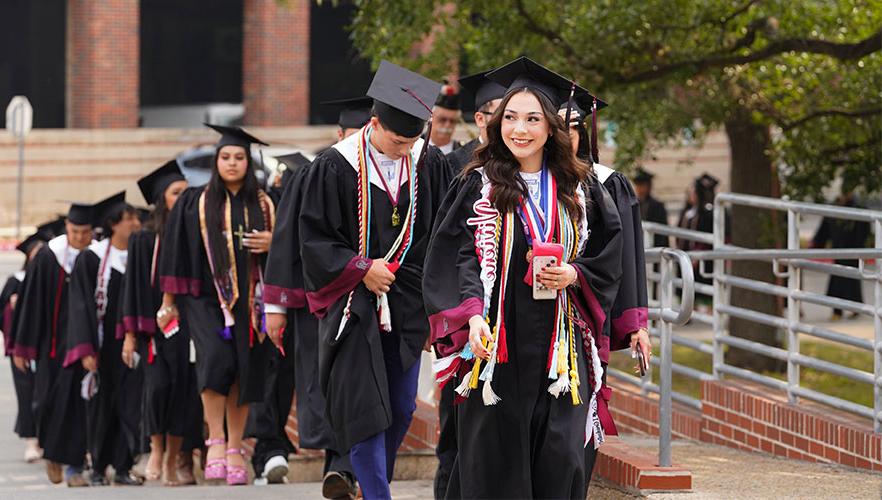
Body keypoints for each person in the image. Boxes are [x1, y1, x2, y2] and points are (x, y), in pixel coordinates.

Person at [423, 57, 650, 498]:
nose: (518, 129)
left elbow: (609, 258)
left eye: (532, 119)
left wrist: (575, 273)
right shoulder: (478, 185)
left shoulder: (582, 189)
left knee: (561, 457)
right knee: (496, 462)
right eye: (509, 118)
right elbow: (458, 256)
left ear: (551, 128)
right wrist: (471, 315)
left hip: (561, 349)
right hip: (496, 344)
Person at [267, 60, 450, 499]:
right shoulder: (334, 165)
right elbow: (313, 238)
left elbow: (442, 233)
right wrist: (361, 268)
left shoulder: (429, 163)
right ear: (374, 123)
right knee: (367, 409)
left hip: (405, 301)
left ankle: (371, 488)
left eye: (413, 140)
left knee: (402, 408)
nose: (405, 148)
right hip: (352, 305)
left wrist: (427, 298)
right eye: (398, 139)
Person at [257, 96, 372, 495]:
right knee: (325, 382)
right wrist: (275, 307)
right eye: (354, 134)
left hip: (376, 298)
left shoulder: (393, 176)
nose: (361, 140)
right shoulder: (315, 172)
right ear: (339, 135)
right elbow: (286, 240)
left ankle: (348, 467)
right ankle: (341, 466)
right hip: (319, 301)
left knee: (361, 384)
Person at [158, 124, 275, 486]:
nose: (232, 163)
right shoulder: (195, 201)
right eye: (226, 157)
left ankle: (237, 447)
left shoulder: (265, 204)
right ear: (216, 162)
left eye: (239, 157)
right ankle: (215, 440)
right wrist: (169, 302)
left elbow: (288, 251)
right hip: (204, 299)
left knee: (243, 367)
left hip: (250, 300)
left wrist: (275, 242)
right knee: (215, 360)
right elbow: (175, 252)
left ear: (248, 163)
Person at [560, 93, 652, 480]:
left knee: (578, 420)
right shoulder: (523, 182)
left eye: (574, 129)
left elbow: (627, 258)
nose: (567, 138)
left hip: (586, 318)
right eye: (558, 128)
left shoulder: (607, 183)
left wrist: (635, 324)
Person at [431, 67, 506, 499]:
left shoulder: (527, 171)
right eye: (500, 115)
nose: (509, 125)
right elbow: (440, 243)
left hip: (510, 316)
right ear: (480, 119)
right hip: (463, 310)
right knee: (456, 418)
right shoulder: (452, 167)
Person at [119, 160, 202, 486]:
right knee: (157, 388)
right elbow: (133, 289)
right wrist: (130, 335)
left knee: (183, 390)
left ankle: (173, 458)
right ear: (160, 200)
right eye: (175, 193)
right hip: (154, 328)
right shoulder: (143, 240)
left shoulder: (195, 235)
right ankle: (156, 448)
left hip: (187, 325)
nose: (182, 199)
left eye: (185, 193)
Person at [11, 201, 99, 486]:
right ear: (67, 228)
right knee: (48, 403)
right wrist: (22, 346)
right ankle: (53, 454)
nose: (80, 238)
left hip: (88, 343)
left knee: (79, 404)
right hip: (53, 345)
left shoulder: (98, 255)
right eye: (75, 231)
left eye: (85, 232)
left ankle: (75, 467)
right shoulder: (50, 257)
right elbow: (31, 304)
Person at [64, 193, 144, 486]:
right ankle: (98, 467)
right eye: (131, 219)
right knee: (101, 407)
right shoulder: (92, 259)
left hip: (131, 343)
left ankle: (123, 467)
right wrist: (85, 347)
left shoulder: (139, 254)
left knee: (129, 403)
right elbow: (81, 306)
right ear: (114, 224)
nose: (137, 223)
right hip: (102, 345)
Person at [0, 219, 62, 464]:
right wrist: (11, 308)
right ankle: (31, 441)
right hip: (21, 346)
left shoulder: (55, 278)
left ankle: (49, 439)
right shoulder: (16, 280)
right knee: (27, 395)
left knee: (48, 395)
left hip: (48, 346)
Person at [811, 191, 871, 320]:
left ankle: (855, 308)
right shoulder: (833, 209)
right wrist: (816, 244)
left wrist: (862, 250)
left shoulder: (858, 208)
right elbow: (824, 230)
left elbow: (864, 232)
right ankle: (837, 310)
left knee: (852, 281)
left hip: (853, 252)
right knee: (837, 280)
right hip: (838, 251)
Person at [445, 70, 507, 174]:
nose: (507, 122)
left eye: (510, 116)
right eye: (499, 115)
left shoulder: (519, 158)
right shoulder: (453, 162)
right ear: (480, 119)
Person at [677, 173, 718, 307]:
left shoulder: (708, 214)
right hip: (687, 254)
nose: (691, 195)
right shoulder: (687, 213)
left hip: (702, 257)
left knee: (704, 287)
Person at [632, 168, 669, 248]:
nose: (639, 188)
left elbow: (662, 232)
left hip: (653, 245)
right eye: (637, 185)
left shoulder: (657, 206)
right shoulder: (632, 204)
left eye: (642, 185)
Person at [427, 83, 463, 155]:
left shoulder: (463, 153)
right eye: (442, 119)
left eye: (452, 121)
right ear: (431, 118)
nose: (447, 125)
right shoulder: (414, 146)